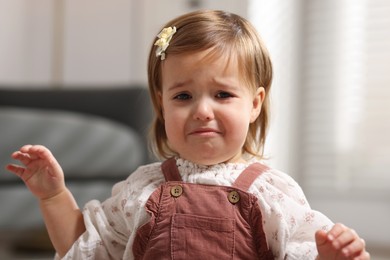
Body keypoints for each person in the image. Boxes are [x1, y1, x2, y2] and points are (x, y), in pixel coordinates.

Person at [6, 10, 370, 260]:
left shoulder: (272, 193)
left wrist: (331, 255)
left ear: (255, 104)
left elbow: (302, 251)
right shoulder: (141, 188)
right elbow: (86, 246)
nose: (202, 110)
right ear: (162, 107)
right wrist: (53, 196)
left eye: (223, 94)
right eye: (183, 96)